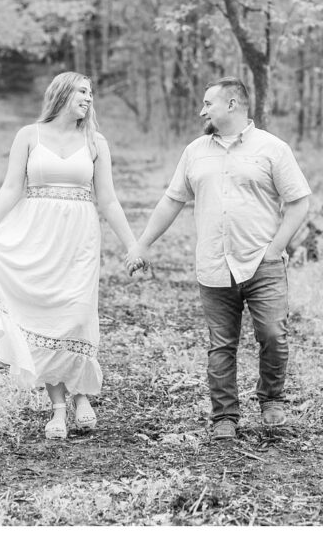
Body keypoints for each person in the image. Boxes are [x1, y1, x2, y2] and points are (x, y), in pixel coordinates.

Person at [124, 77, 310, 440]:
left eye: (208, 103)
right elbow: (172, 201)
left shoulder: (272, 148)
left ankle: (271, 399)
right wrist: (142, 244)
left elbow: (299, 201)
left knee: (273, 334)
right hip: (213, 264)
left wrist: (274, 249)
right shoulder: (195, 151)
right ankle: (224, 416)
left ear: (233, 104)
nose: (202, 110)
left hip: (262, 262)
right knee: (221, 344)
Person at [0, 71, 140, 439]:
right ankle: (59, 408)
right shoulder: (28, 136)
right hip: (37, 234)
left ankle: (83, 397)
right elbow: (12, 187)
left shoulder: (96, 142)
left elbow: (108, 200)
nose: (88, 97)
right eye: (82, 90)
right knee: (45, 315)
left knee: (77, 315)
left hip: (79, 237)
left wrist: (132, 244)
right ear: (61, 93)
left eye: (91, 92)